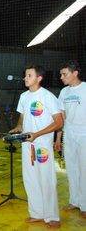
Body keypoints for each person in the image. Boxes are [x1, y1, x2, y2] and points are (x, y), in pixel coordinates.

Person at [9, 63, 63, 229]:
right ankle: (37, 213)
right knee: (30, 179)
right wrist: (19, 126)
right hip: (27, 144)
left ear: (39, 78)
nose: (25, 78)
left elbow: (59, 122)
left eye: (29, 75)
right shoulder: (24, 96)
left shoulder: (47, 97)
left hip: (42, 145)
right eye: (25, 75)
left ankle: (52, 216)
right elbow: (22, 117)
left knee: (46, 180)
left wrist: (37, 134)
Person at [54, 60, 86, 219]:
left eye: (64, 74)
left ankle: (85, 205)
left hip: (84, 135)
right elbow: (62, 116)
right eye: (61, 74)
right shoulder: (64, 92)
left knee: (84, 170)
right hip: (69, 135)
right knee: (72, 169)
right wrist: (59, 137)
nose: (61, 77)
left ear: (75, 73)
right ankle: (75, 201)